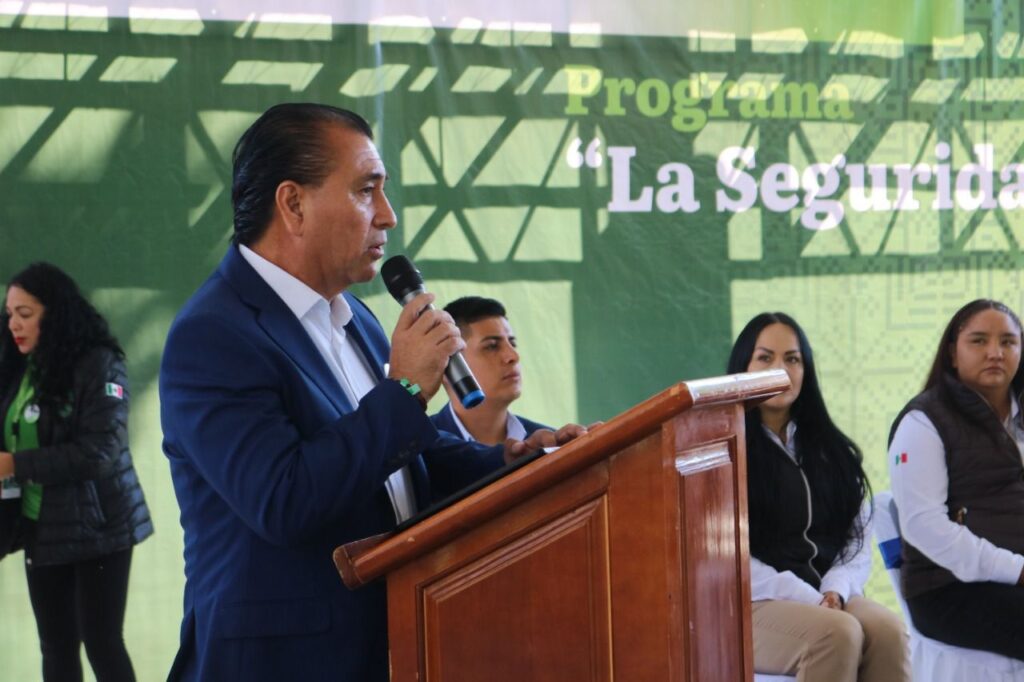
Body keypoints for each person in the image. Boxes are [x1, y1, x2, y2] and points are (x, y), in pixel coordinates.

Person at [159, 103, 586, 682]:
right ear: (293, 204)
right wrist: (406, 388)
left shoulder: (353, 316)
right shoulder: (214, 335)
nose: (387, 216)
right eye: (367, 190)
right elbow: (284, 501)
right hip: (284, 664)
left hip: (394, 644)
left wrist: (517, 464)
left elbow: (405, 462)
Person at [726, 312, 909, 682]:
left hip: (827, 595)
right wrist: (811, 599)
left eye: (792, 359)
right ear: (741, 367)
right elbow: (727, 559)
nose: (780, 369)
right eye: (765, 357)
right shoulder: (722, 453)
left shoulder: (832, 450)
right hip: (751, 602)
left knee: (889, 631)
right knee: (836, 634)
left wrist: (835, 591)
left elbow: (855, 541)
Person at [0, 262, 153, 682]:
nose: (14, 324)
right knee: (55, 646)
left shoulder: (100, 364)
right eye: (9, 314)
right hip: (42, 527)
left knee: (101, 641)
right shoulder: (20, 370)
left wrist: (15, 465)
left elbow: (100, 450)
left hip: (99, 527)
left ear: (56, 312)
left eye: (25, 314)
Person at [888, 299, 1024, 659]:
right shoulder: (922, 423)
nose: (995, 352)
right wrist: (1017, 570)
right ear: (952, 352)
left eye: (1008, 342)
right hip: (948, 589)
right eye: (978, 341)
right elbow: (924, 526)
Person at [430, 296, 549, 445]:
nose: (513, 356)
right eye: (492, 346)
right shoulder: (421, 448)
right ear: (449, 365)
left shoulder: (549, 445)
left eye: (512, 343)